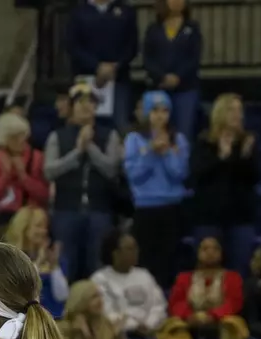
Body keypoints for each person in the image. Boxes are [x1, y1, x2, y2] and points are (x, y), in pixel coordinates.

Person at [45, 84, 124, 280]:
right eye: (80, 102)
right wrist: (77, 152)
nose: (86, 106)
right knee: (65, 264)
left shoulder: (109, 135)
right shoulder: (58, 136)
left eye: (91, 102)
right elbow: (49, 171)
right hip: (66, 210)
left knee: (97, 264)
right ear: (71, 106)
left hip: (100, 210)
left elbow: (111, 169)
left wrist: (90, 147)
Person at [123, 91, 188, 290]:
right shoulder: (133, 139)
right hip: (145, 209)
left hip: (172, 208)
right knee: (145, 263)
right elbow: (134, 175)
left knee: (170, 263)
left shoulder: (179, 139)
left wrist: (167, 152)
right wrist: (151, 151)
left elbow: (180, 173)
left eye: (165, 111)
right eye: (155, 110)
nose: (160, 116)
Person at [188, 93, 259, 272]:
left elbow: (255, 177)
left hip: (240, 218)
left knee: (239, 272)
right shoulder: (204, 142)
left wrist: (243, 157)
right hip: (209, 218)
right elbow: (197, 175)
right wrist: (221, 157)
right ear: (219, 113)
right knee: (208, 271)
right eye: (231, 110)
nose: (237, 115)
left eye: (239, 110)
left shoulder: (247, 143)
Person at [68, 0, 140, 133]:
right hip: (86, 79)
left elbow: (132, 46)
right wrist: (96, 66)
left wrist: (115, 65)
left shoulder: (126, 11)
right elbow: (73, 46)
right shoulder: (78, 12)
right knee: (84, 122)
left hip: (118, 79)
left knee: (120, 125)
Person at [166, 236, 247, 339]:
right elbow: (175, 303)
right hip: (190, 321)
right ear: (198, 253)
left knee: (234, 323)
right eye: (205, 249)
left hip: (221, 321)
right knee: (171, 325)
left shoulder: (232, 277)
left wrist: (213, 316)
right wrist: (189, 316)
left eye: (215, 249)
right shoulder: (183, 278)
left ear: (221, 254)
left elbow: (234, 303)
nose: (210, 252)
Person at [92, 229, 168, 339]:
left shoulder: (145, 275)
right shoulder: (100, 279)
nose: (135, 252)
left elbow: (158, 306)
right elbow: (105, 313)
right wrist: (133, 327)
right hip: (117, 336)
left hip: (150, 333)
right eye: (129, 249)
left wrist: (148, 324)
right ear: (115, 253)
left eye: (136, 248)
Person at [143, 0, 203, 138]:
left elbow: (194, 58)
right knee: (157, 133)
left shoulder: (192, 28)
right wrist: (162, 77)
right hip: (159, 88)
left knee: (184, 133)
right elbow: (148, 58)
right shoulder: (153, 29)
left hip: (186, 89)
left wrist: (178, 77)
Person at [0, 111, 50, 232]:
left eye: (22, 135)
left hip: (32, 216)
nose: (20, 140)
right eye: (14, 137)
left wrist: (24, 177)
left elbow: (45, 194)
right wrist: (6, 175)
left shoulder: (37, 158)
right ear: (4, 139)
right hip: (5, 216)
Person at [1, 206, 70, 314]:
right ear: (24, 228)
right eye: (38, 226)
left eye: (45, 226)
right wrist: (38, 263)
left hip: (55, 319)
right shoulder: (11, 259)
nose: (44, 231)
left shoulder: (54, 258)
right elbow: (22, 292)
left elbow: (62, 296)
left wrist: (54, 265)